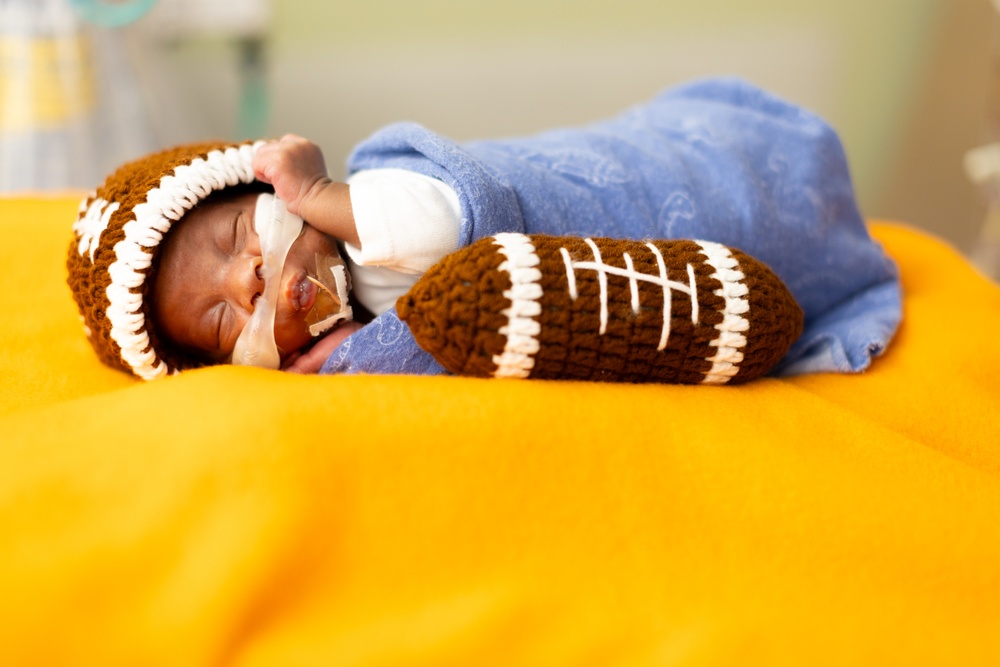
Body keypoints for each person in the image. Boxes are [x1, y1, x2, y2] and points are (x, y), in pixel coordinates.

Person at [67, 77, 902, 381]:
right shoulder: (339, 341)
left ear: (267, 189)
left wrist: (325, 192)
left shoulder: (375, 209)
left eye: (230, 244)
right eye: (220, 320)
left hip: (658, 181)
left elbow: (443, 231)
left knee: (727, 194)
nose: (245, 281)